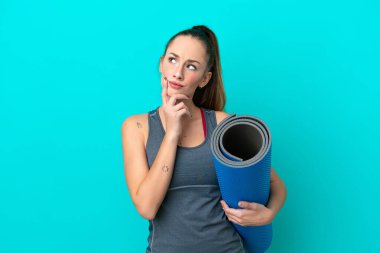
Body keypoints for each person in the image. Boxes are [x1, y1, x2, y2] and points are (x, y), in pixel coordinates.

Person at [121, 25, 287, 253]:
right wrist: (172, 133)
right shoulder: (136, 127)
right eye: (172, 60)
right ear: (161, 64)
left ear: (204, 79)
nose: (178, 73)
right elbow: (147, 207)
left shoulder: (222, 123)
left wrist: (268, 215)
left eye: (191, 66)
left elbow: (277, 185)